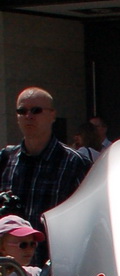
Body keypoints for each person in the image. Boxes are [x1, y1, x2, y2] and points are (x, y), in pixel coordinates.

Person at [0, 88, 90, 239]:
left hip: (54, 258)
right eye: (22, 111)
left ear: (52, 115)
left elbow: (88, 219)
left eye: (36, 110)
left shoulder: (75, 163)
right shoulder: (5, 159)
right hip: (10, 261)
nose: (28, 116)